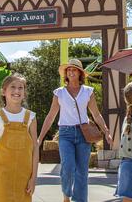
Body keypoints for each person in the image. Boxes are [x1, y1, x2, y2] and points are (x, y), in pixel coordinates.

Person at [39, 59, 113, 202]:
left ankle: (80, 200)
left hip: (83, 133)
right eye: (69, 70)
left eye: (74, 69)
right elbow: (50, 116)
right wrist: (40, 137)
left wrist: (106, 131)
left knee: (82, 171)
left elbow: (96, 114)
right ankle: (66, 195)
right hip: (65, 133)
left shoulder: (88, 92)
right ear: (66, 74)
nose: (71, 72)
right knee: (68, 166)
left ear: (80, 73)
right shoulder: (59, 93)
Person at [0, 73, 39, 201]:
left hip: (25, 180)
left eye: (20, 88)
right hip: (3, 179)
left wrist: (33, 179)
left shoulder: (31, 117)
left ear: (24, 92)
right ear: (4, 91)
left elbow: (35, 149)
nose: (17, 91)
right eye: (13, 87)